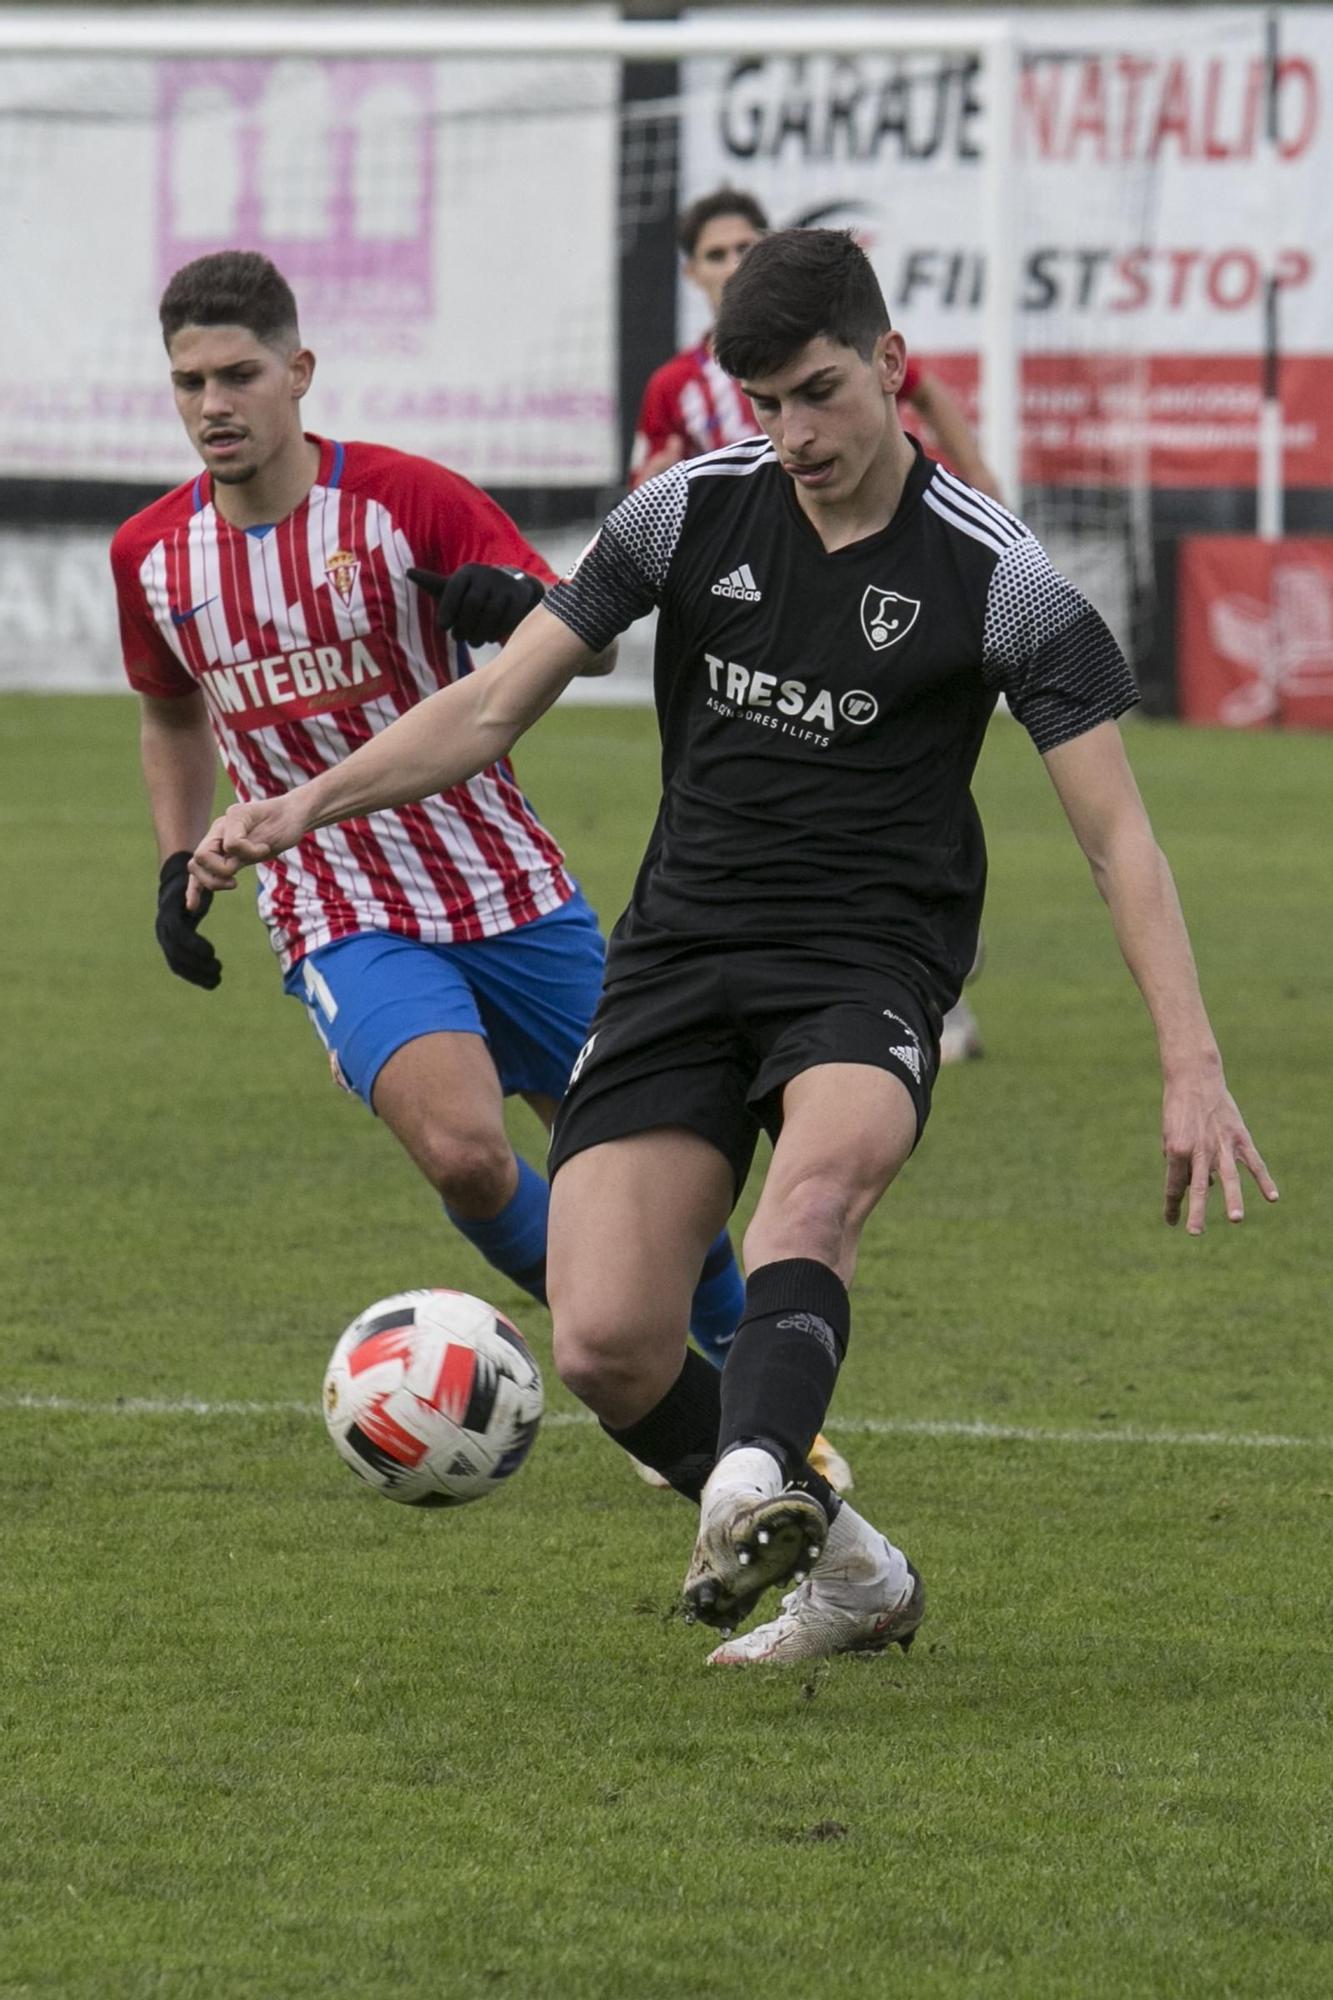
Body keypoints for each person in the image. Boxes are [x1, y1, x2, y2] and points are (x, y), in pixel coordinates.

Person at [190, 230, 1276, 1670]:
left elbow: (1116, 839)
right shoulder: (685, 513)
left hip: (867, 961)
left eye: (819, 394)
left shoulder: (1002, 578)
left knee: (805, 1209)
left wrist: (1189, 1063)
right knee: (603, 1344)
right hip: (682, 950)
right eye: (763, 404)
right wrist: (302, 803)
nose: (793, 435)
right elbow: (492, 705)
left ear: (893, 368)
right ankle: (854, 1570)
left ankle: (754, 1482)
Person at [111, 248, 744, 1363]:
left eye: (239, 374)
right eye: (189, 382)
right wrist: (174, 861)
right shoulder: (152, 557)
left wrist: (525, 608)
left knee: (647, 1160)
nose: (213, 404)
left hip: (503, 879)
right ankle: (660, 1383)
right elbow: (170, 715)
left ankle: (745, 1382)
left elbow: (582, 645)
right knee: (463, 1153)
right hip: (334, 903)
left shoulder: (407, 500)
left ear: (299, 370)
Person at [631, 185, 992, 1065]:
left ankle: (914, 980)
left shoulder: (861, 357)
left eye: (742, 248)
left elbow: (937, 402)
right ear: (691, 274)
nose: (791, 430)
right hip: (756, 584)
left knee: (886, 770)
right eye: (713, 255)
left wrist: (985, 502)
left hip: (872, 562)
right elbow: (647, 485)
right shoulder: (679, 392)